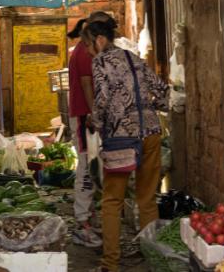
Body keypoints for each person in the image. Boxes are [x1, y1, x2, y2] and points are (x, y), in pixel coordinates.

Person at [81, 18, 169, 272]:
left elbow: (103, 99)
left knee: (112, 200)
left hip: (121, 138)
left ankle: (110, 263)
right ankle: (153, 259)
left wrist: (94, 121)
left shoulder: (101, 62)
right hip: (151, 132)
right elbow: (162, 91)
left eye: (88, 45)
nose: (87, 51)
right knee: (147, 199)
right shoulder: (134, 59)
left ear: (99, 40)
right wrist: (150, 109)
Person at [68, 18, 102, 248]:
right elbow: (87, 84)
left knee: (91, 165)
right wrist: (93, 113)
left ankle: (87, 217)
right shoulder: (83, 53)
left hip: (85, 115)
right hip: (84, 116)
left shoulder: (83, 50)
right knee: (86, 166)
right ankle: (82, 223)